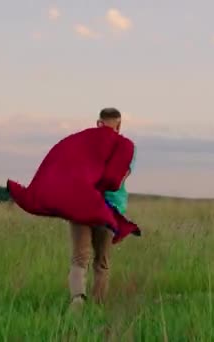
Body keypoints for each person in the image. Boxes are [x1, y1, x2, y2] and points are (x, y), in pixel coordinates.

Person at [68, 108, 136, 311]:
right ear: (119, 124)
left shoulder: (83, 144)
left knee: (79, 257)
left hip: (81, 205)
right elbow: (120, 179)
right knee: (102, 261)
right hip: (109, 209)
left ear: (98, 123)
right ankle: (97, 306)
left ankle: (77, 300)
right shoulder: (125, 148)